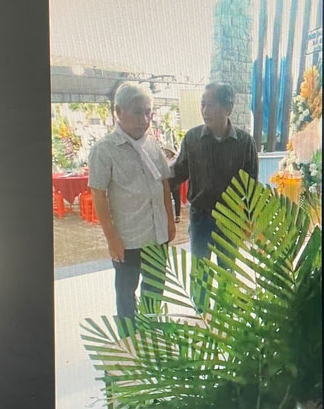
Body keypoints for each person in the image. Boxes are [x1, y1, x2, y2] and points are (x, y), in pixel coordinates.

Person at [88, 82, 176, 319]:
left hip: (157, 234)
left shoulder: (152, 145)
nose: (144, 119)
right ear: (119, 111)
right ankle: (129, 336)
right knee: (126, 292)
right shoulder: (104, 149)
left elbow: (164, 185)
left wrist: (170, 222)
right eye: (138, 112)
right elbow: (98, 194)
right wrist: (112, 238)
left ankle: (150, 331)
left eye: (148, 113)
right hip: (128, 238)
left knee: (155, 289)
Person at [169, 82, 259, 262]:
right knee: (200, 274)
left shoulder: (245, 142)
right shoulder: (192, 139)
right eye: (202, 104)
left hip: (230, 219)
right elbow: (177, 173)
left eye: (210, 105)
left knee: (227, 272)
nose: (204, 111)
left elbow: (251, 185)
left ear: (228, 109)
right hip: (200, 219)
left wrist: (248, 219)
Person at [162, 143, 182, 223]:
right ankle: (168, 215)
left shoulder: (175, 159)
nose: (166, 152)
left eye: (168, 151)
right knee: (167, 197)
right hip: (167, 180)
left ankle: (177, 215)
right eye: (166, 151)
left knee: (176, 197)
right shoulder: (165, 159)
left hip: (175, 179)